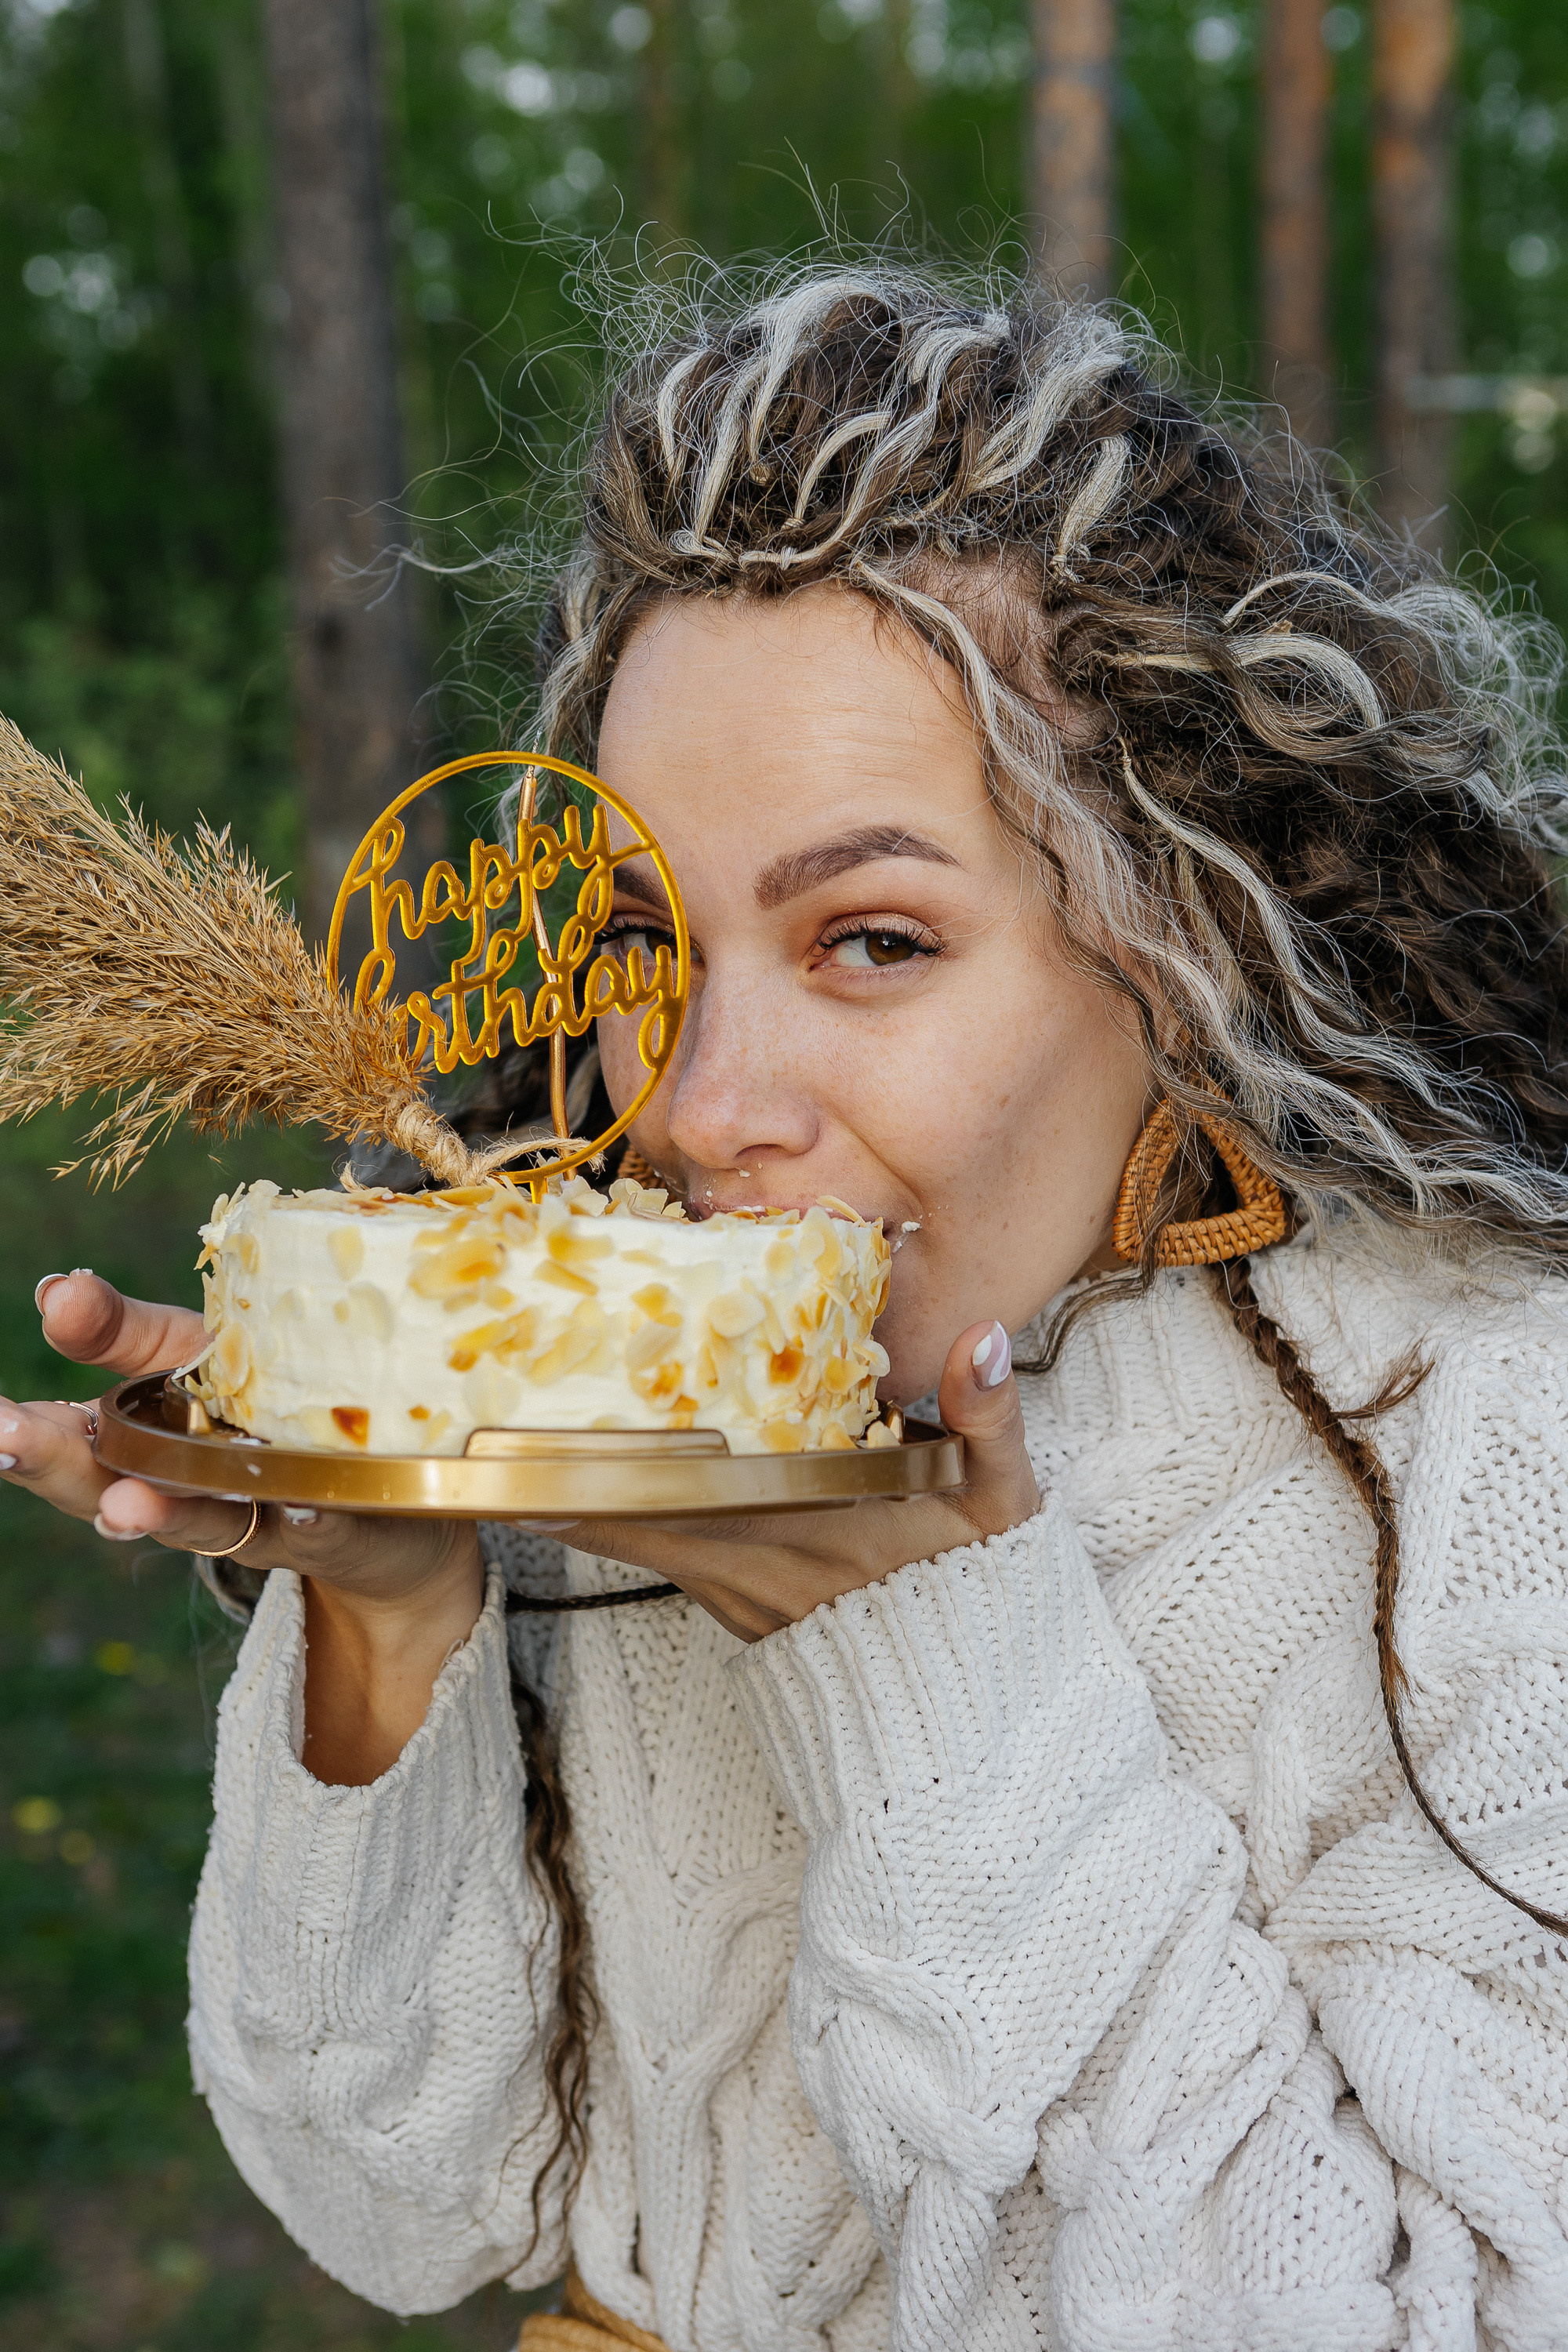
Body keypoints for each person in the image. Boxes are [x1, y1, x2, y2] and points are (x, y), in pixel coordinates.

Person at [3, 262, 1566, 2352]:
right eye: (647, 937)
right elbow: (404, 2207)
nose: (708, 1109)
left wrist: (911, 1651)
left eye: (874, 942)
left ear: (1179, 939)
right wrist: (394, 1619)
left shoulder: (1484, 1440)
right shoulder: (617, 1425)